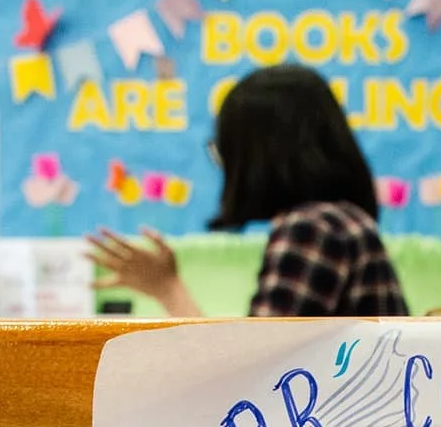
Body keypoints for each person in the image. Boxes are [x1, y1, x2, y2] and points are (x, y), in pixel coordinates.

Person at [86, 64, 409, 318]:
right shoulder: (344, 221)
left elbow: (253, 380)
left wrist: (168, 289)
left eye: (226, 150)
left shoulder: (311, 228)